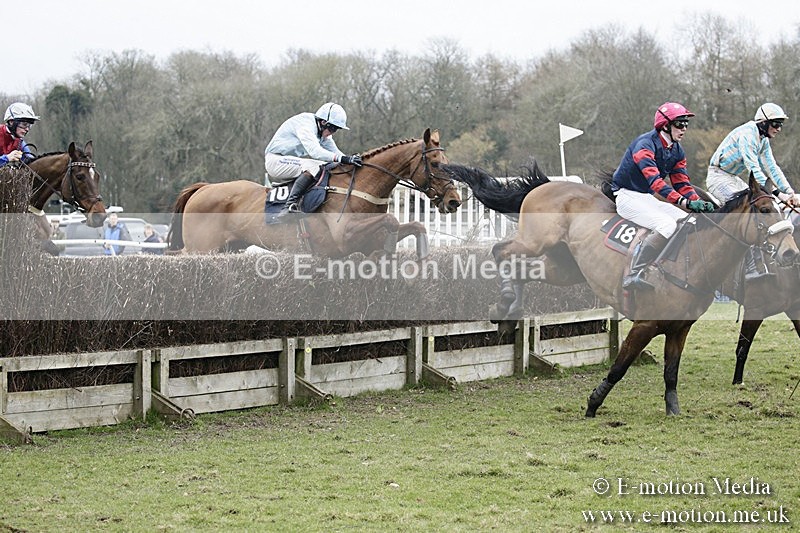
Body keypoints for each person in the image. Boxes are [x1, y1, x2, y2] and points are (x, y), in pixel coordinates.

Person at [611, 102, 715, 291]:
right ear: (665, 125)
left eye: (686, 124)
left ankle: (669, 266)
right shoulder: (645, 144)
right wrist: (685, 202)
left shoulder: (677, 150)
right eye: (680, 124)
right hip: (626, 196)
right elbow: (656, 183)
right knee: (666, 224)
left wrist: (696, 202)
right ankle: (634, 273)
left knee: (687, 221)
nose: (684, 129)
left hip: (645, 197)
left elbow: (682, 183)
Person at [264, 102, 362, 220]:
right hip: (275, 160)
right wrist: (343, 159)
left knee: (327, 165)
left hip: (289, 161)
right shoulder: (306, 125)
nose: (333, 132)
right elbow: (315, 152)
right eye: (332, 128)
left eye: (337, 129)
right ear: (323, 122)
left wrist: (351, 161)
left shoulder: (322, 131)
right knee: (313, 166)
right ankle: (289, 207)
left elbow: (336, 154)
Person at [706, 103, 799, 207]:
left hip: (733, 178)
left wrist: (790, 192)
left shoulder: (763, 139)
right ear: (764, 123)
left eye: (781, 125)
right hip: (717, 177)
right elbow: (754, 171)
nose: (778, 129)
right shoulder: (748, 135)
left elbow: (772, 168)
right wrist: (779, 194)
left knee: (757, 203)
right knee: (745, 207)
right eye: (776, 124)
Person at [1, 102, 39, 168]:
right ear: (11, 122)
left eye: (29, 125)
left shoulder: (20, 142)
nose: (27, 129)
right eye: (24, 124)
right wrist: (6, 158)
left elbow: (31, 161)